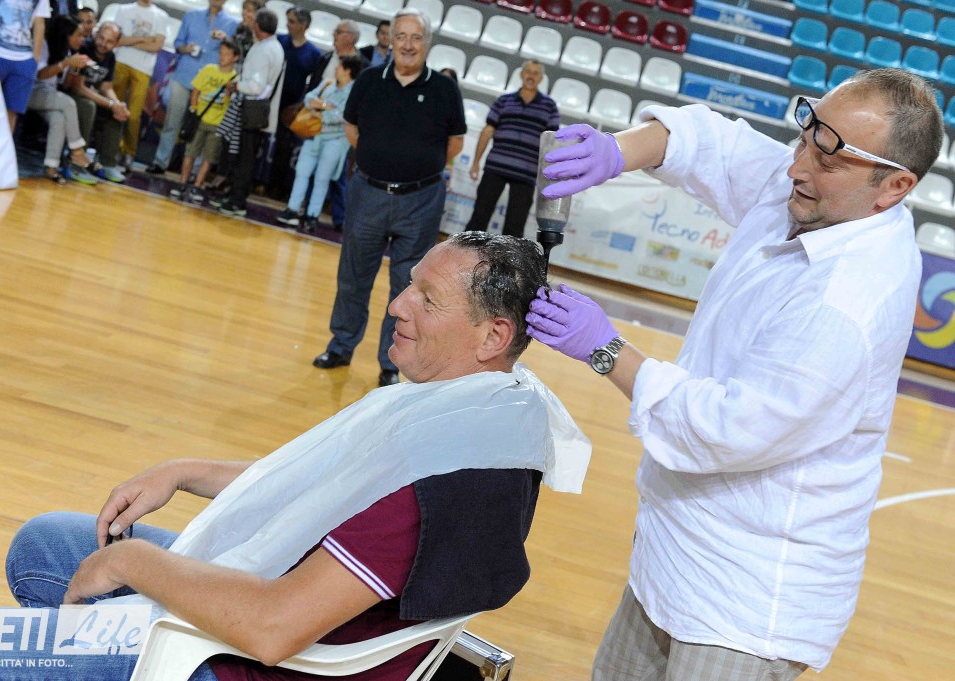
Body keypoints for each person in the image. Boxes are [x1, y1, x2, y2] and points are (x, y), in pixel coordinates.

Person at [0, 232, 590, 681]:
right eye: (409, 285)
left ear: (492, 335)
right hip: (289, 598)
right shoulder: (481, 413)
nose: (397, 304)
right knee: (44, 543)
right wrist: (182, 471)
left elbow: (273, 627)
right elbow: (317, 485)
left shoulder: (441, 480)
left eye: (426, 297)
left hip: (236, 658)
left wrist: (132, 562)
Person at [525, 68, 941, 680]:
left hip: (746, 602)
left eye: (827, 158)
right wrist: (617, 151)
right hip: (672, 552)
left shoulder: (847, 305)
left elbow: (732, 428)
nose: (797, 165)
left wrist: (606, 349)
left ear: (895, 186)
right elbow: (712, 144)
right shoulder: (819, 192)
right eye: (805, 137)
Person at [312, 8, 465, 387]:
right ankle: (341, 346)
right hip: (368, 194)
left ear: (427, 43)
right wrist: (380, 161)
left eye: (416, 37)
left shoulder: (445, 89)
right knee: (353, 277)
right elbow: (351, 129)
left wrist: (417, 170)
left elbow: (455, 143)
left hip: (421, 201)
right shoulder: (368, 80)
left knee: (408, 288)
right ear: (390, 40)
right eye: (401, 36)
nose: (408, 45)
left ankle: (390, 363)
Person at [465, 60, 559, 238]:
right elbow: (487, 131)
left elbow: (551, 142)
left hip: (526, 173)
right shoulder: (503, 100)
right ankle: (466, 254)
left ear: (541, 78)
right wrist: (476, 162)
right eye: (528, 71)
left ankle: (509, 259)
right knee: (478, 219)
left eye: (535, 73)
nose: (531, 76)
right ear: (521, 74)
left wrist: (547, 176)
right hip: (495, 168)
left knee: (514, 230)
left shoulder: (550, 106)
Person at [148, 0, 238, 175]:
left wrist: (225, 39)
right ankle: (160, 162)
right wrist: (185, 48)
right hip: (184, 75)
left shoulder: (232, 24)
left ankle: (194, 172)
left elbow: (235, 51)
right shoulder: (191, 15)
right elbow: (177, 43)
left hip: (210, 83)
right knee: (172, 121)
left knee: (202, 127)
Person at [277, 55, 361, 233]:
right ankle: (292, 210)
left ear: (347, 71)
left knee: (322, 178)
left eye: (339, 66)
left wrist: (320, 109)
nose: (336, 69)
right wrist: (324, 106)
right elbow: (309, 98)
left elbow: (343, 116)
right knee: (302, 171)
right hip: (313, 135)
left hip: (335, 141)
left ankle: (312, 216)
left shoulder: (355, 92)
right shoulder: (328, 83)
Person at [216, 7, 284, 217]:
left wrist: (236, 86)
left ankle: (237, 201)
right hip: (258, 109)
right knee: (245, 155)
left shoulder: (264, 50)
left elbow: (256, 86)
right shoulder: (274, 47)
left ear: (258, 26)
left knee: (244, 157)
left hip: (252, 108)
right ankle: (235, 195)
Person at [25, 13, 98, 185]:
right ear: (66, 35)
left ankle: (51, 168)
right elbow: (40, 75)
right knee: (68, 103)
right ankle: (77, 152)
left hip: (48, 93)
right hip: (30, 90)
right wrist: (66, 63)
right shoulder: (44, 44)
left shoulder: (67, 51)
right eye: (78, 35)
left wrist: (74, 68)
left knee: (58, 119)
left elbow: (65, 85)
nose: (82, 39)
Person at [169, 38, 239, 203]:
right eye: (221, 53)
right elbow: (196, 90)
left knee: (209, 157)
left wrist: (231, 91)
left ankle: (197, 185)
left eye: (227, 54)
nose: (222, 57)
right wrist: (194, 109)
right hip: (200, 119)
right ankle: (182, 183)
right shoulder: (208, 69)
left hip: (219, 123)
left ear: (235, 58)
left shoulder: (236, 78)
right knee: (190, 152)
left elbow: (234, 101)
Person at [265, 5, 321, 202]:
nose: (288, 25)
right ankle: (251, 179)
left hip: (290, 106)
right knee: (257, 140)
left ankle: (275, 187)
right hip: (268, 100)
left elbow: (314, 83)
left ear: (303, 25)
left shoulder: (313, 53)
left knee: (283, 148)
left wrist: (300, 105)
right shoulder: (278, 41)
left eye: (292, 21)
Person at [66, 20, 132, 182]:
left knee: (118, 113)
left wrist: (117, 104)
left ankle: (108, 163)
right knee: (88, 107)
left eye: (109, 41)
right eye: (101, 38)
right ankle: (77, 163)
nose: (103, 44)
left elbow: (106, 86)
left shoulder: (110, 57)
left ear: (116, 43)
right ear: (96, 35)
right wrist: (110, 104)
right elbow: (78, 87)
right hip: (72, 93)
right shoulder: (85, 48)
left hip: (92, 95)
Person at [109, 0, 168, 171]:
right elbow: (117, 40)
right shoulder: (124, 9)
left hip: (143, 69)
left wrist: (130, 41)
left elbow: (156, 46)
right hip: (121, 62)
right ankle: (111, 148)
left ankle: (129, 152)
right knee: (115, 109)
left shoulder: (161, 16)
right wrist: (143, 39)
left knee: (134, 115)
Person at [0, 0, 50, 132]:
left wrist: (35, 59)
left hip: (24, 59)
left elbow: (39, 22)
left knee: (12, 111)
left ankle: (4, 145)